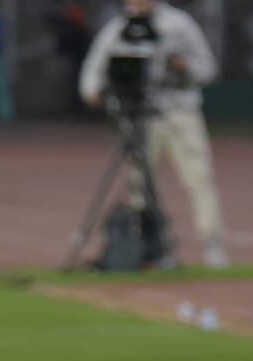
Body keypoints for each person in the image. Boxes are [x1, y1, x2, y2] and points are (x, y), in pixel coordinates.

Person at [79, 0, 229, 269]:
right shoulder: (118, 29)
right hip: (139, 118)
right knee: (141, 187)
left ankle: (213, 245)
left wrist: (185, 67)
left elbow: (208, 68)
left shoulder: (179, 25)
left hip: (180, 112)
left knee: (199, 179)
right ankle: (150, 248)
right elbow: (92, 74)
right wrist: (101, 96)